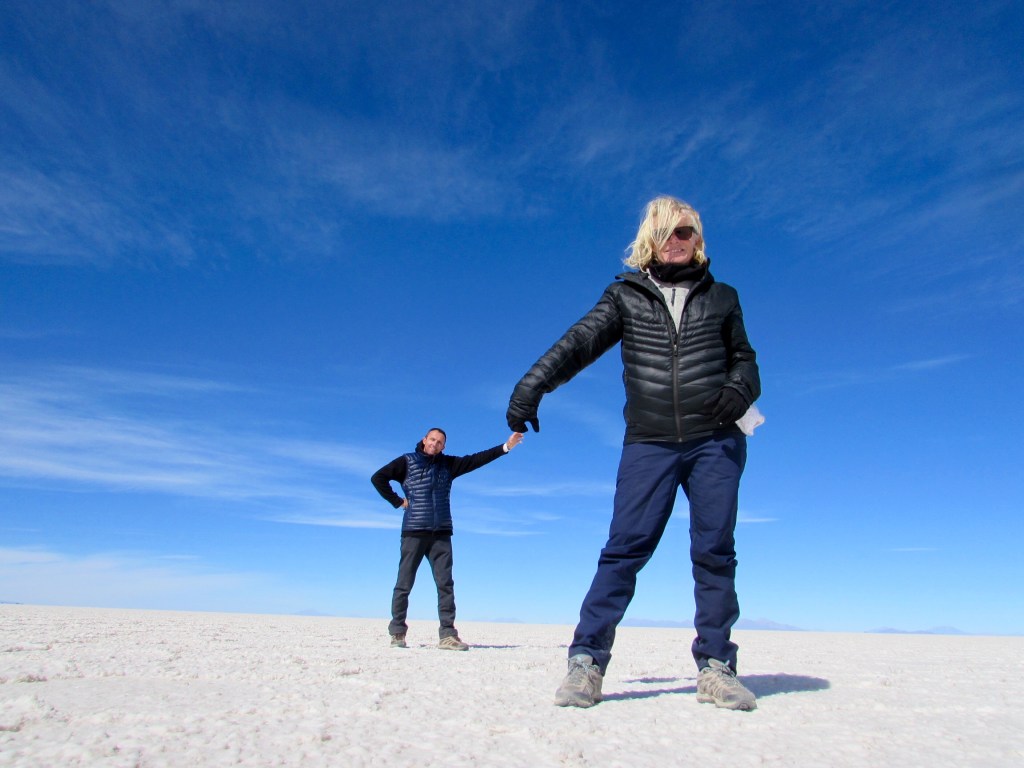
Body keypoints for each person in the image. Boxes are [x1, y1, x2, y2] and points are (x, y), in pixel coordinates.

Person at [506, 196, 761, 710]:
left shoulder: (723, 297)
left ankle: (716, 666)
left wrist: (740, 387)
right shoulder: (626, 295)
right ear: (650, 238)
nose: (676, 240)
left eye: (685, 231)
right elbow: (578, 343)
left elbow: (745, 360)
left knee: (714, 552)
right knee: (625, 549)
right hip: (649, 442)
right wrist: (531, 386)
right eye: (666, 231)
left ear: (698, 238)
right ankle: (586, 661)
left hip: (715, 441)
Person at [371, 427, 524, 650]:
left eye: (440, 442)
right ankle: (397, 633)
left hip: (441, 533)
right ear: (424, 440)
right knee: (404, 584)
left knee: (445, 585)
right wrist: (398, 501)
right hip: (414, 531)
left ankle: (447, 635)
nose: (435, 444)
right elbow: (378, 478)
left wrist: (506, 447)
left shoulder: (448, 464)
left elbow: (476, 460)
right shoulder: (407, 461)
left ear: (443, 446)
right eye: (432, 439)